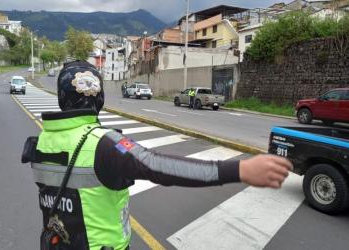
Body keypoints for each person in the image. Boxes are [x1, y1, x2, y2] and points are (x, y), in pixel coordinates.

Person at [21, 61, 293, 250]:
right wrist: (239, 170)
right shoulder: (104, 143)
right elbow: (157, 166)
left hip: (55, 243)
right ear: (99, 97)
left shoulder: (41, 141)